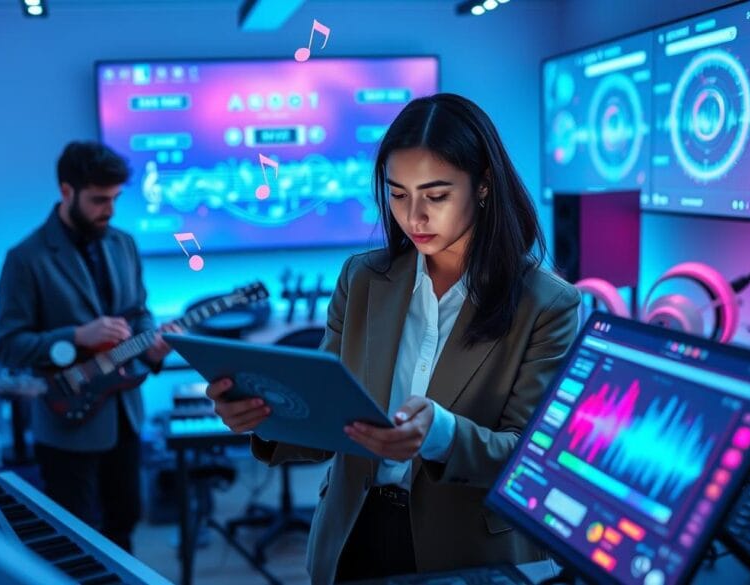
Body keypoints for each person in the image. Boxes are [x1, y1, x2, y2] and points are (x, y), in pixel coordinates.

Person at [207, 93, 580, 583]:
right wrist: (265, 416)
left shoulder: (546, 304)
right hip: (353, 534)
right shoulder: (363, 279)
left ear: (484, 186)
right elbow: (327, 420)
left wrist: (440, 433)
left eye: (437, 195)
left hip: (466, 552)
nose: (414, 217)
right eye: (398, 194)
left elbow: (530, 459)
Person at [0, 140, 175, 552]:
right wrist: (76, 336)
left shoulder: (123, 243)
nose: (109, 210)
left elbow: (137, 311)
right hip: (66, 427)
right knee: (76, 541)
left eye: (114, 198)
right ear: (66, 191)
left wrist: (151, 346)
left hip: (125, 417)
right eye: (98, 200)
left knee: (124, 527)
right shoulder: (25, 258)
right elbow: (6, 346)